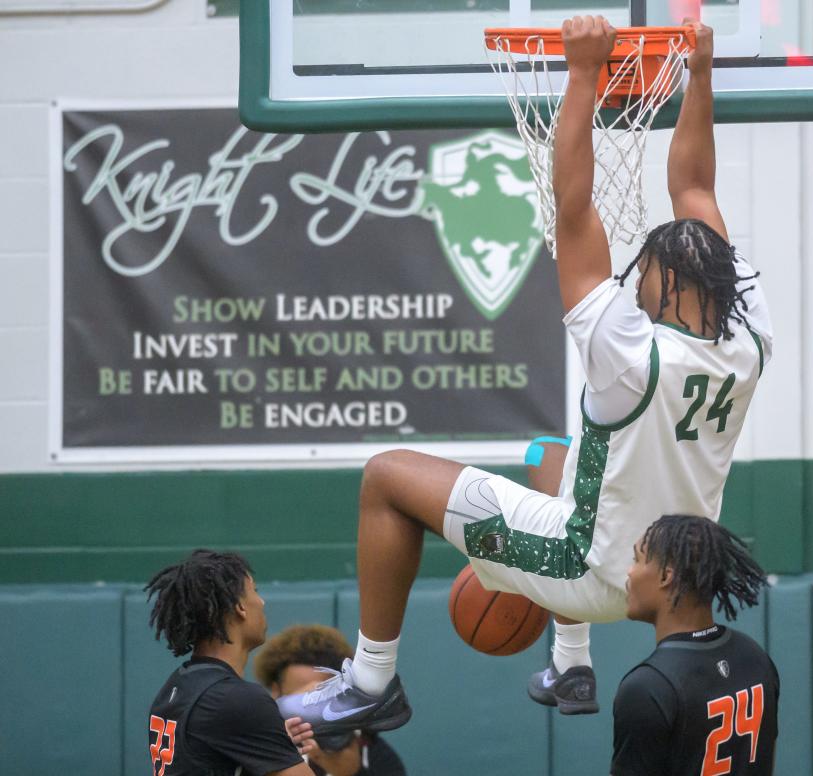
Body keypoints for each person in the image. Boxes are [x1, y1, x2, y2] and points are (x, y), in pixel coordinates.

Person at [283, 15, 773, 734]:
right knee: (551, 458)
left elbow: (573, 207)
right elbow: (694, 185)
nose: (630, 285)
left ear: (662, 290)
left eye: (642, 279)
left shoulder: (628, 350)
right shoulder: (750, 333)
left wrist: (580, 75)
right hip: (668, 562)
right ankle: (571, 664)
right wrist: (698, 75)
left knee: (387, 477)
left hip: (592, 565)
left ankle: (371, 679)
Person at [612, 514, 779, 776]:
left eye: (637, 559)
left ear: (666, 576)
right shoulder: (755, 657)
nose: (629, 571)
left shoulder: (646, 688)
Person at [145, 549, 313, 776]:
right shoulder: (238, 700)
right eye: (255, 591)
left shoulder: (176, 685)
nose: (261, 601)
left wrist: (267, 750)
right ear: (240, 607)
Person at [255, 625, 407, 776]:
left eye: (322, 697)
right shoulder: (256, 747)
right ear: (276, 692)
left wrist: (354, 773)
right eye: (301, 700)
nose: (313, 709)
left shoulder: (368, 749)